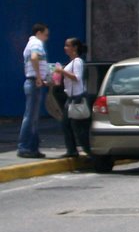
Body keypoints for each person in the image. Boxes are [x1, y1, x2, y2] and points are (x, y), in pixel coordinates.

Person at [54, 38, 91, 158]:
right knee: (67, 125)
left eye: (67, 45)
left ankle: (85, 151)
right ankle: (72, 150)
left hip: (77, 98)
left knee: (77, 127)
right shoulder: (71, 62)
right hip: (71, 97)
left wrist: (61, 71)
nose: (65, 48)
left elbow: (77, 77)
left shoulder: (77, 62)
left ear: (74, 48)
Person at [17, 23, 50, 159]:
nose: (47, 37)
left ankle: (32, 147)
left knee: (33, 117)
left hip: (33, 82)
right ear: (39, 33)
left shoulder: (31, 43)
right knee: (30, 117)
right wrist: (38, 77)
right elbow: (35, 57)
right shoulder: (36, 43)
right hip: (33, 82)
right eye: (46, 34)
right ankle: (25, 147)